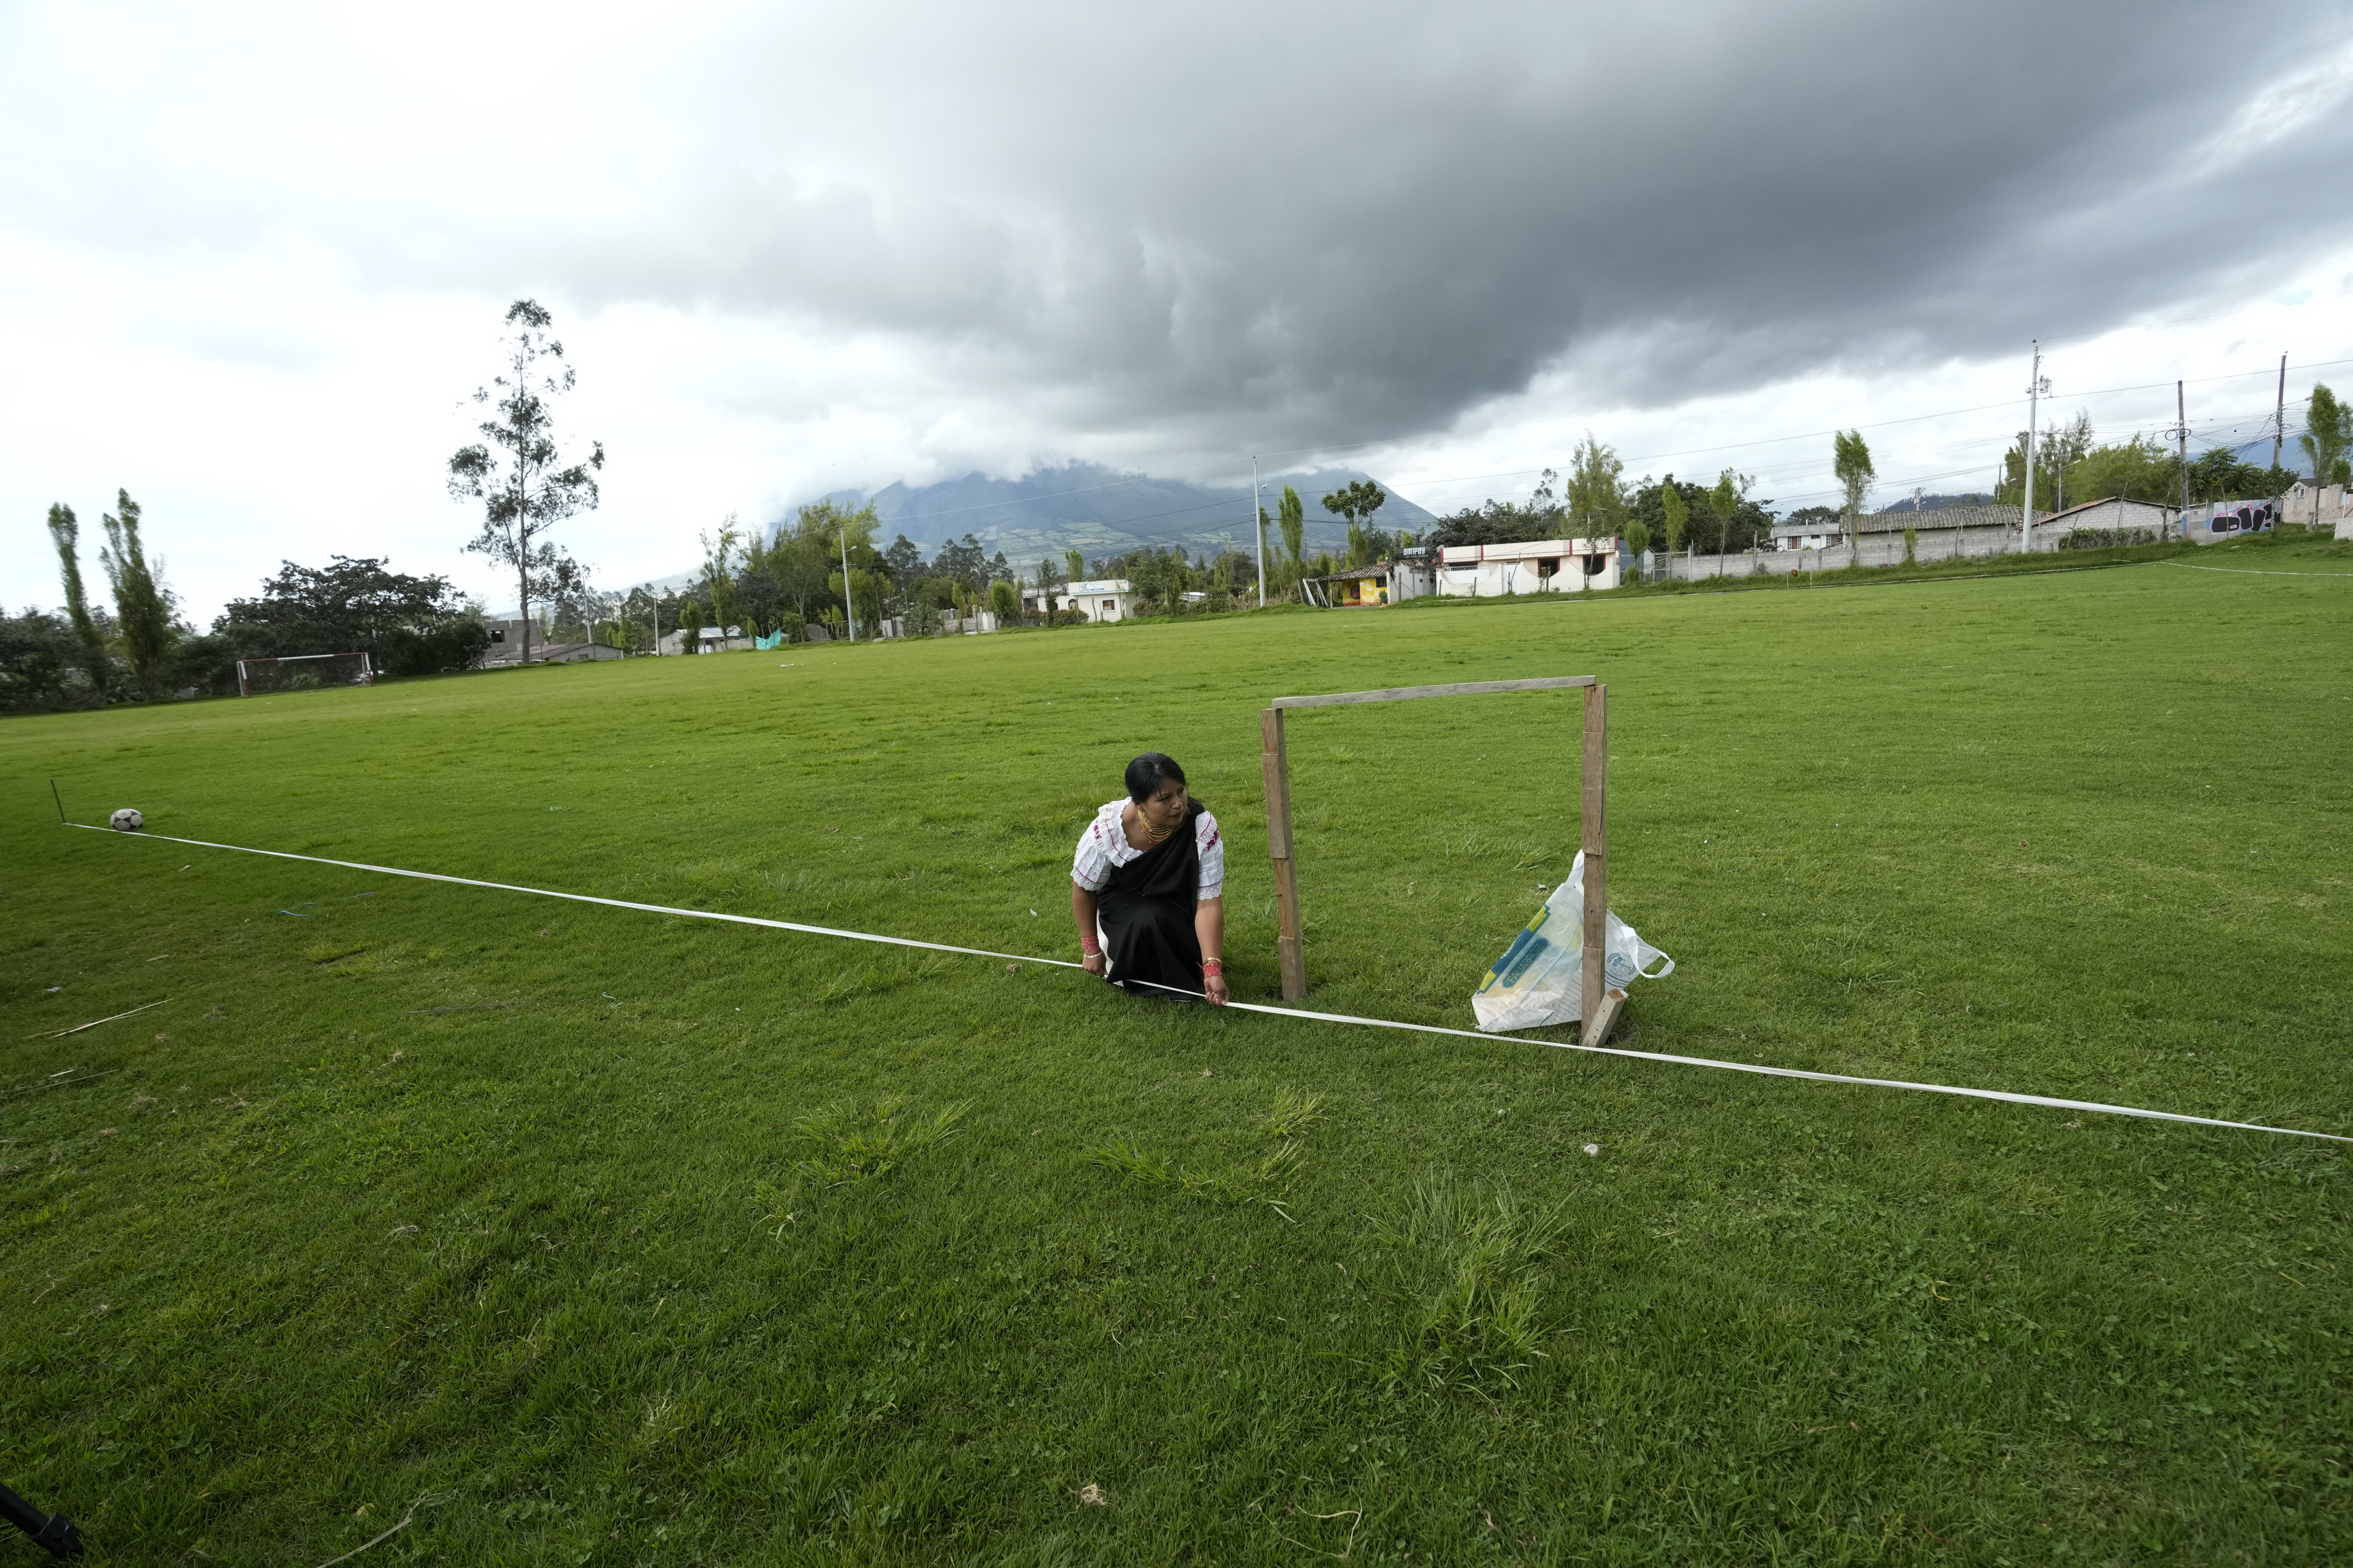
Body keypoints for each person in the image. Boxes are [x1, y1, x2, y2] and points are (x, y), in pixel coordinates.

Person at [1070, 752, 1228, 1004]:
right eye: (1165, 799)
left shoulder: (1201, 828)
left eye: (1181, 791)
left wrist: (1212, 967)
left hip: (1178, 905)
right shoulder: (1108, 830)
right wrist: (1091, 949)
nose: (1178, 804)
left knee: (1163, 922)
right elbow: (1084, 889)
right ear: (1139, 804)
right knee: (1147, 920)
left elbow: (1208, 902)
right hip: (1124, 906)